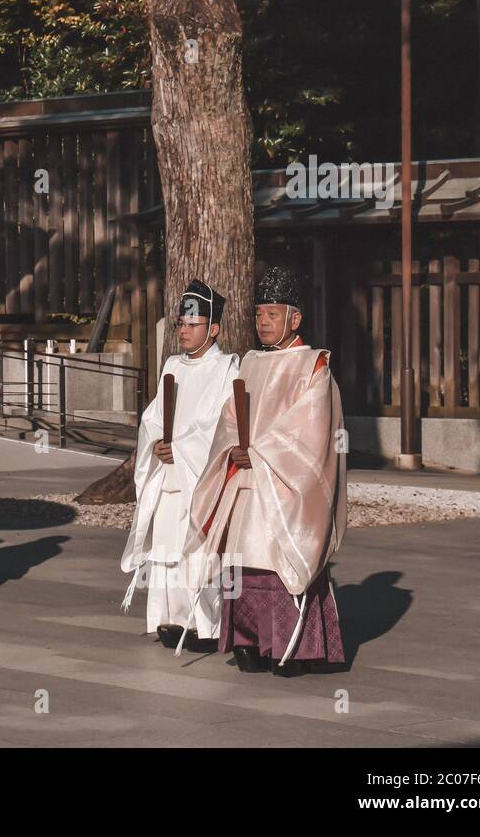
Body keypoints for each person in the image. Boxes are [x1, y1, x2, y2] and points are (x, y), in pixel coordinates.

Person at [184, 265, 347, 676]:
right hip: (245, 479)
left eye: (271, 315)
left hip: (282, 486)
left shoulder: (314, 367)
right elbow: (229, 416)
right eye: (258, 315)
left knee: (276, 559)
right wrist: (233, 448)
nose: (263, 323)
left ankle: (292, 647)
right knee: (241, 561)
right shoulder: (252, 363)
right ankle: (246, 641)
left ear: (295, 318)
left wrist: (259, 451)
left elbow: (311, 428)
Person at [121, 280, 239, 652]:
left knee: (198, 550)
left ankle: (206, 625)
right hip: (171, 474)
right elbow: (153, 416)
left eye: (192, 325)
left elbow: (223, 427)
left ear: (213, 329)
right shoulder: (172, 365)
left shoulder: (227, 369)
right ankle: (169, 618)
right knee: (168, 547)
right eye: (180, 325)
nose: (183, 331)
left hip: (199, 475)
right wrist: (156, 441)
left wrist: (183, 447)